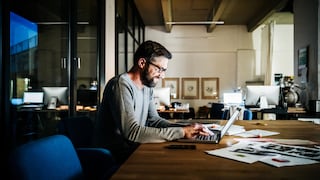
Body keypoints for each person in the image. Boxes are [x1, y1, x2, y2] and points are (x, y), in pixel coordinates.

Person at [93, 40, 209, 164]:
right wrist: (181, 132)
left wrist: (187, 129)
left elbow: (155, 120)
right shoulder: (121, 84)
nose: (162, 75)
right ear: (142, 63)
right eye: (160, 69)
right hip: (115, 156)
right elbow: (131, 132)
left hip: (134, 150)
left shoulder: (147, 88)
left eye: (164, 70)